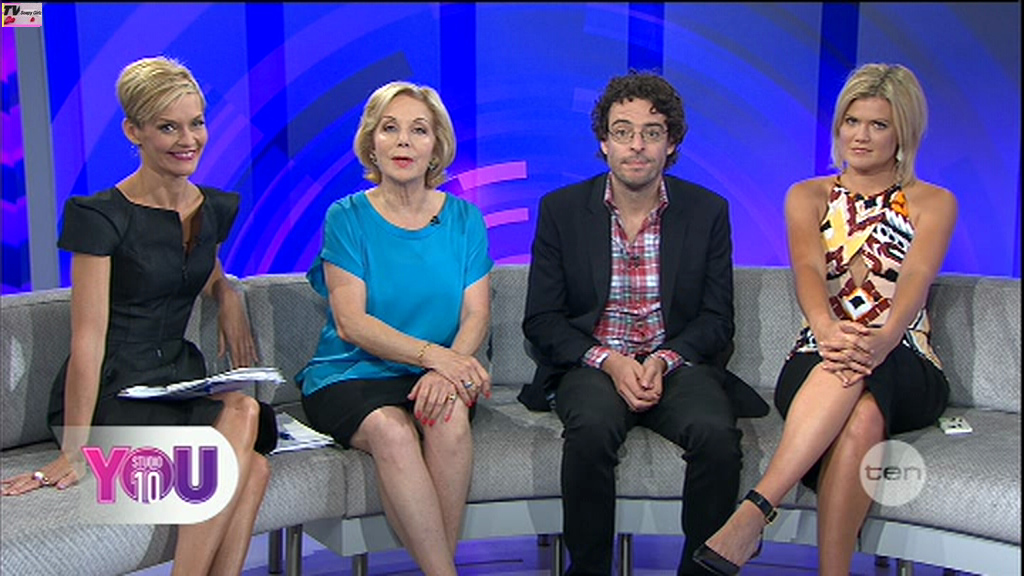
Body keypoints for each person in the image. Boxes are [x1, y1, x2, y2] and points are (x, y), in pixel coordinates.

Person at [0, 56, 278, 575]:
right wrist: (75, 449)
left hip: (176, 382)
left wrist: (228, 294)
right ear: (134, 132)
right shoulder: (102, 216)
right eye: (168, 127)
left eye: (196, 123)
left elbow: (197, 265)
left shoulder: (212, 209)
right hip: (116, 392)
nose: (187, 139)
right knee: (243, 414)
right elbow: (88, 339)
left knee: (256, 466)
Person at [693, 63, 956, 576]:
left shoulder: (934, 202)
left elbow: (915, 278)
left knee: (860, 379)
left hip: (906, 357)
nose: (861, 136)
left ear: (903, 133)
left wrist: (884, 337)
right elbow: (809, 268)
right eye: (852, 122)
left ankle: (754, 511)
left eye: (878, 125)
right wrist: (827, 327)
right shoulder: (808, 196)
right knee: (860, 411)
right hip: (820, 352)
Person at [519, 70, 767, 576]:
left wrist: (663, 360)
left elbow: (717, 320)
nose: (636, 145)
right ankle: (589, 571)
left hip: (675, 364)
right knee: (591, 430)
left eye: (651, 133)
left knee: (718, 436)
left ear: (670, 143)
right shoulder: (562, 210)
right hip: (592, 364)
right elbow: (541, 320)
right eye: (623, 131)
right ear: (604, 141)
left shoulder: (707, 211)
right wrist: (609, 362)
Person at [296, 80, 493, 575]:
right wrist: (438, 358)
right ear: (372, 142)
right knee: (393, 431)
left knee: (448, 417)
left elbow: (476, 315)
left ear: (436, 146)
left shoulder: (466, 219)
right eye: (390, 128)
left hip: (433, 374)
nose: (403, 141)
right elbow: (352, 323)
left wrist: (445, 371)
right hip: (350, 374)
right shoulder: (347, 217)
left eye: (418, 130)